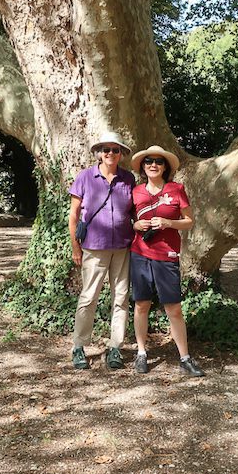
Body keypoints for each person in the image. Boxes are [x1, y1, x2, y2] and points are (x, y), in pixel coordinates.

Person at [129, 145, 205, 377]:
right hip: (140, 253)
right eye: (149, 161)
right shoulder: (136, 191)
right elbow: (129, 220)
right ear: (143, 166)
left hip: (167, 255)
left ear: (165, 167)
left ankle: (184, 358)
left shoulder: (176, 189)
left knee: (174, 308)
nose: (153, 165)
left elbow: (189, 221)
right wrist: (136, 225)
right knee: (142, 304)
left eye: (159, 162)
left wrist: (169, 223)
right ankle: (141, 353)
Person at [67, 131, 136, 370]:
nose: (110, 153)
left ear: (121, 154)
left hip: (122, 249)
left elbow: (135, 212)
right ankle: (79, 346)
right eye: (106, 149)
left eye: (115, 150)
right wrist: (76, 247)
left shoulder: (128, 179)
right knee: (88, 297)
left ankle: (115, 347)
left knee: (121, 299)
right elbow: (74, 216)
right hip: (94, 248)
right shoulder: (86, 177)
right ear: (99, 153)